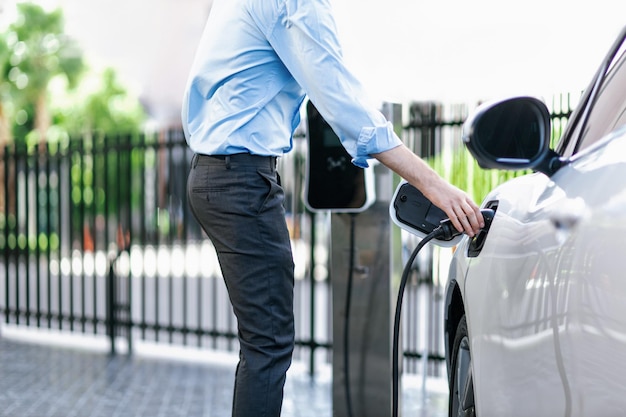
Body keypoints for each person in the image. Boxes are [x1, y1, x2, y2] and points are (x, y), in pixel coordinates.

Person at [181, 0, 485, 416]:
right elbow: (347, 107)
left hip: (216, 174)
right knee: (267, 342)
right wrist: (435, 186)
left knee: (261, 341)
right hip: (241, 180)